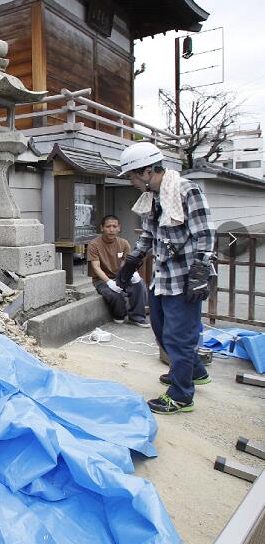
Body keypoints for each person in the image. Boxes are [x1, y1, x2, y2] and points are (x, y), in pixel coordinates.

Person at [114, 142, 216, 415]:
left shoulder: (186, 191)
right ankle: (194, 371)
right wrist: (130, 264)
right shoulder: (154, 199)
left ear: (148, 171)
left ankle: (181, 396)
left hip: (185, 279)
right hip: (162, 278)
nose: (132, 182)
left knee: (179, 338)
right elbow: (147, 236)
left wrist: (200, 272)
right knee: (160, 329)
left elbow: (204, 234)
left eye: (134, 176)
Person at [86, 214, 148, 325]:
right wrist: (109, 282)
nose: (111, 230)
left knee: (140, 284)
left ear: (119, 228)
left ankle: (137, 317)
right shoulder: (93, 244)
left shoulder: (124, 243)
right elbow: (96, 267)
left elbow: (127, 264)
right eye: (108, 226)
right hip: (102, 280)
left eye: (114, 226)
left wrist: (132, 274)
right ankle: (120, 314)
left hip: (120, 276)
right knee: (114, 295)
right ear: (102, 228)